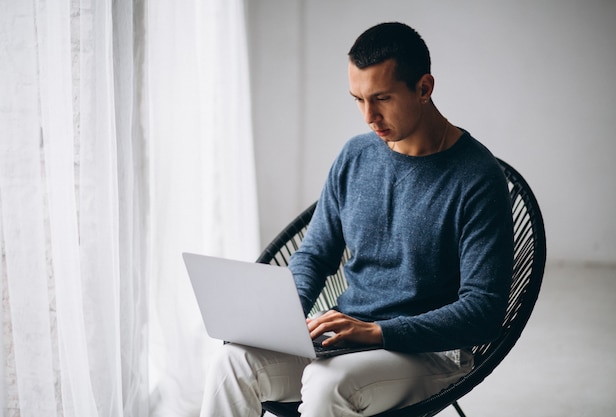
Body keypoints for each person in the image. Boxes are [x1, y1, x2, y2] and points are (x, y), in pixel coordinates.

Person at [200, 21, 513, 417]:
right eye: (358, 99)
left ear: (423, 88)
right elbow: (314, 254)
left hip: (431, 352)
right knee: (232, 364)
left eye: (381, 98)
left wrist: (380, 332)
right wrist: (285, 317)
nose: (369, 116)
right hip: (348, 336)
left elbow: (483, 310)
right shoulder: (356, 156)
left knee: (328, 383)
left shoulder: (476, 178)